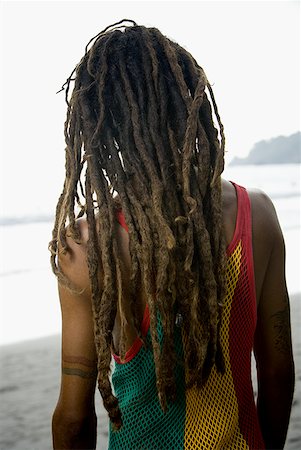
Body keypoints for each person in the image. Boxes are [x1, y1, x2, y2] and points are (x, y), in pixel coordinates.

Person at [50, 20, 295, 450]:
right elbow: (276, 372)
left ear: (99, 131)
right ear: (186, 104)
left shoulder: (86, 249)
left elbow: (73, 419)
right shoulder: (256, 215)